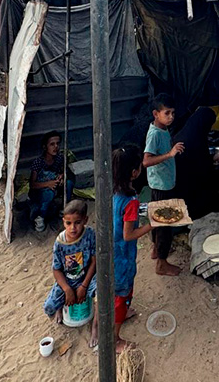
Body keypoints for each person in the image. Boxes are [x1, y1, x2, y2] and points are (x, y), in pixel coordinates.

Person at [91, 144, 151, 352]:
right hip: (122, 256)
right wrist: (152, 224)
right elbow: (129, 235)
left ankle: (97, 326)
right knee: (121, 296)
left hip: (108, 249)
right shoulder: (131, 201)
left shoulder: (110, 188)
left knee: (105, 289)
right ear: (134, 172)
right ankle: (114, 339)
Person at [142, 94, 184, 276]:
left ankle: (155, 249)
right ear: (155, 113)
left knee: (156, 218)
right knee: (165, 224)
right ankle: (162, 263)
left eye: (173, 113)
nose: (171, 117)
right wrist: (170, 154)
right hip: (161, 185)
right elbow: (146, 161)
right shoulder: (155, 135)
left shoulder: (162, 130)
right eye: (167, 113)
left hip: (162, 181)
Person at [173, 107, 219, 220]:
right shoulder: (194, 144)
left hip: (177, 190)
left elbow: (196, 161)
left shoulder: (183, 136)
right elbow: (207, 179)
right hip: (188, 200)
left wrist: (214, 157)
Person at [43, 200, 96, 324]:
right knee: (49, 307)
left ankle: (95, 327)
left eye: (77, 223)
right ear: (64, 222)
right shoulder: (60, 243)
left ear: (85, 220)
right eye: (68, 223)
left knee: (101, 294)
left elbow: (94, 262)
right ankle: (59, 309)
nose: (73, 228)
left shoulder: (90, 234)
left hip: (88, 276)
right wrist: (67, 289)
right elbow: (56, 269)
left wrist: (83, 286)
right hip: (68, 280)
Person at [26, 131, 75, 232]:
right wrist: (48, 184)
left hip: (53, 186)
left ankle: (64, 208)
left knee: (69, 183)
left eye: (57, 143)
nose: (55, 147)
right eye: (52, 144)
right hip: (40, 191)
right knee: (48, 193)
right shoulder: (38, 162)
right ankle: (40, 217)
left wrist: (62, 177)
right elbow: (32, 185)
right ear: (45, 147)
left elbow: (65, 171)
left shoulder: (59, 158)